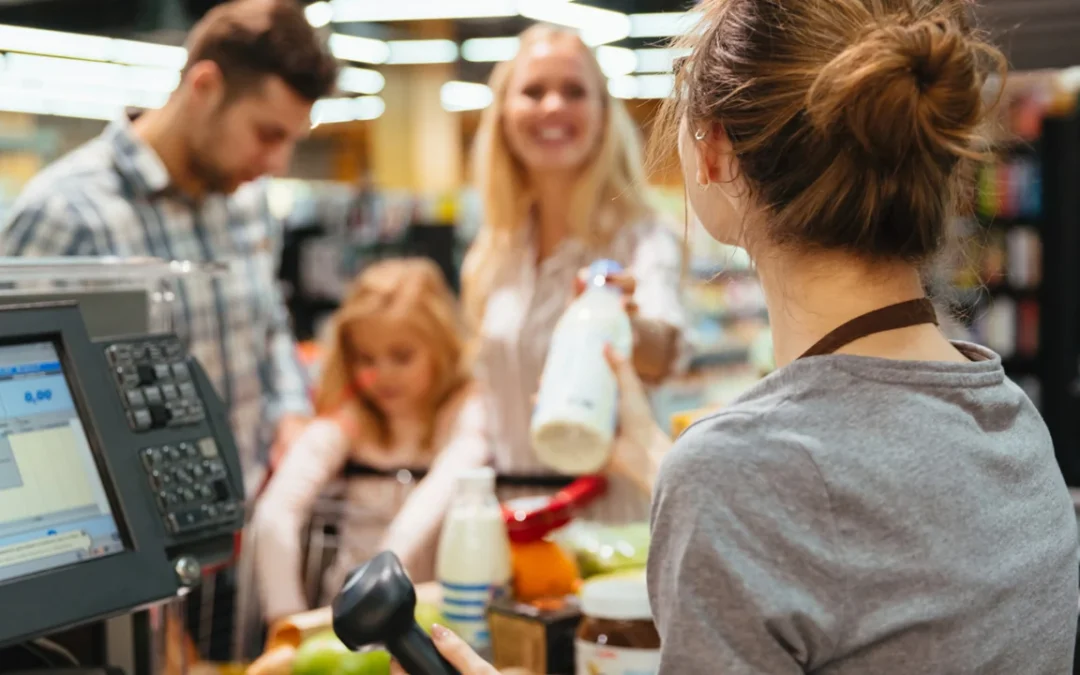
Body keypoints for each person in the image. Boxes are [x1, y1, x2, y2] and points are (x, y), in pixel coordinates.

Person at [403, 0, 1080, 672]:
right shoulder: (1017, 424)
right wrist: (656, 456)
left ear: (716, 151)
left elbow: (779, 503)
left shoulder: (735, 476)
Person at [0, 0, 339, 659]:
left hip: (239, 543)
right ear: (204, 87)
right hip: (124, 579)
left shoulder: (242, 204)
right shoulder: (69, 213)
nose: (275, 161)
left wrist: (292, 417)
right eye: (267, 133)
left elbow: (270, 327)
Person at [465, 24, 688, 521]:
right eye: (533, 91)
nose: (552, 107)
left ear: (604, 115)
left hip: (610, 520)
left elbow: (665, 351)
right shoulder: (492, 252)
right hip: (511, 520)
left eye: (573, 91)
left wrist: (624, 324)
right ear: (503, 113)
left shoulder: (643, 237)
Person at [252, 258, 488, 623]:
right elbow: (275, 513)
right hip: (350, 621)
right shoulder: (349, 421)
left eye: (402, 356)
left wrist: (387, 565)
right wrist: (286, 619)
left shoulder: (466, 412)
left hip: (441, 617)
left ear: (441, 346)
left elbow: (453, 475)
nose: (383, 374)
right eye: (366, 358)